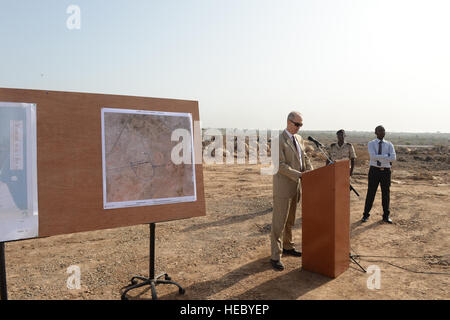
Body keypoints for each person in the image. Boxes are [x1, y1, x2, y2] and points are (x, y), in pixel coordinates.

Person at [270, 111, 313, 271]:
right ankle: (275, 256)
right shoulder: (277, 141)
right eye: (297, 124)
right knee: (279, 222)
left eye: (301, 125)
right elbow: (280, 165)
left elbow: (304, 158)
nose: (299, 128)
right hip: (283, 187)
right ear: (288, 122)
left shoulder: (299, 139)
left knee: (290, 220)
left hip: (297, 186)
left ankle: (288, 246)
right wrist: (301, 175)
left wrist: (311, 171)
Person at [361, 125, 396, 224]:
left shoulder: (389, 144)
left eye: (383, 131)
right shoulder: (371, 143)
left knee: (386, 194)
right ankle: (365, 215)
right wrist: (386, 156)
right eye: (380, 131)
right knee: (371, 193)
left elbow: (393, 158)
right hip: (374, 171)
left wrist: (379, 157)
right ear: (376, 133)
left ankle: (386, 216)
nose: (382, 132)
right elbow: (372, 157)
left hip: (386, 171)